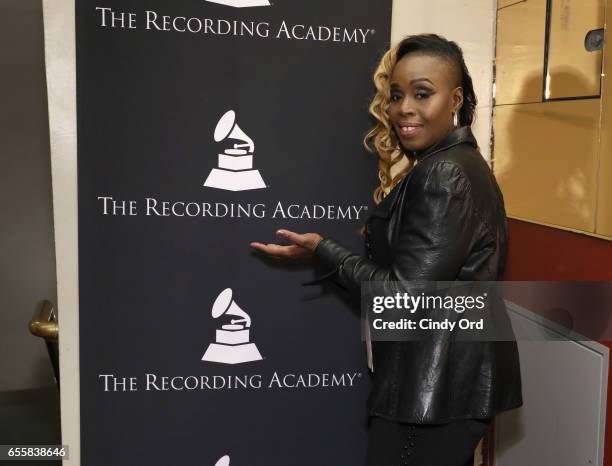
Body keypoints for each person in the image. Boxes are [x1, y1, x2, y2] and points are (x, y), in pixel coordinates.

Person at [250, 33, 523, 466]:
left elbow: (402, 296)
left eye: (422, 93)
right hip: (441, 384)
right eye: (396, 96)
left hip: (432, 393)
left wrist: (326, 249)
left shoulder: (444, 174)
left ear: (455, 100)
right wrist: (325, 254)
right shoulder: (455, 164)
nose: (404, 109)